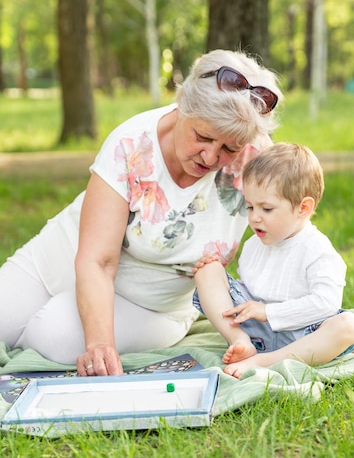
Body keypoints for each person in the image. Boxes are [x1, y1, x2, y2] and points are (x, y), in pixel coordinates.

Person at [0, 49, 283, 376]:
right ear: (182, 106)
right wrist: (100, 343)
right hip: (66, 257)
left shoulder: (258, 160)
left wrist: (321, 322)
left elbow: (291, 234)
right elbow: (98, 260)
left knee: (50, 338)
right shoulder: (132, 143)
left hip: (149, 306)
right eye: (202, 137)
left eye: (228, 148)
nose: (211, 155)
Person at [192, 143, 354, 379]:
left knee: (348, 325)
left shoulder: (317, 250)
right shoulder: (254, 245)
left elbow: (326, 303)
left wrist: (269, 312)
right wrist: (237, 299)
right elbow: (250, 290)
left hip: (301, 335)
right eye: (250, 206)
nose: (255, 217)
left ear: (303, 208)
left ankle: (264, 361)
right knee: (207, 269)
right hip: (255, 331)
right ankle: (240, 342)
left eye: (267, 209)